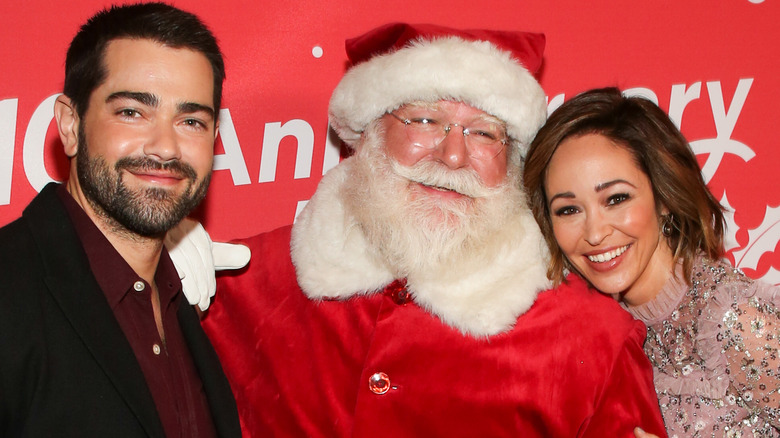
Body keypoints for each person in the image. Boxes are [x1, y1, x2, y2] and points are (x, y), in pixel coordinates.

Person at [193, 23, 667, 437]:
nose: (454, 156)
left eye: (484, 132)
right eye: (424, 120)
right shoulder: (236, 285)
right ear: (370, 131)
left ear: (512, 159)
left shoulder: (591, 340)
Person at [0, 3, 241, 437]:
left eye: (190, 120)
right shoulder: (10, 290)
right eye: (132, 112)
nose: (166, 147)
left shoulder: (178, 302)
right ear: (71, 125)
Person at [523, 87, 780, 437]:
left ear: (663, 198)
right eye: (568, 210)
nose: (595, 233)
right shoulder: (595, 333)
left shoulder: (735, 318)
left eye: (616, 198)